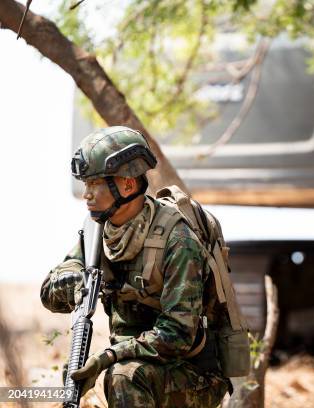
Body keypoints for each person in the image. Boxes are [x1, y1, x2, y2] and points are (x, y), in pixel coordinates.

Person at [40, 126, 229, 407]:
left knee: (123, 378)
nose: (86, 195)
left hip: (195, 372)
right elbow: (49, 294)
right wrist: (73, 280)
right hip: (136, 361)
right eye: (85, 184)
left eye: (95, 184)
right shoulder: (97, 234)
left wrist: (108, 357)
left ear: (127, 185)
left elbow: (177, 336)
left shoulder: (177, 239)